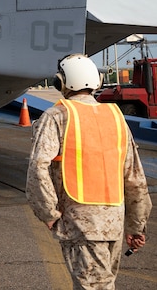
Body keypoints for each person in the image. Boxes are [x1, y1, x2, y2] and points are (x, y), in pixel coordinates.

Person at [26, 53, 152, 289]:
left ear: (60, 83)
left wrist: (48, 213)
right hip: (113, 223)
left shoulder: (57, 116)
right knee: (101, 284)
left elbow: (38, 166)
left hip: (81, 224)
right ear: (97, 82)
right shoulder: (115, 118)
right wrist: (136, 226)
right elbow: (135, 178)